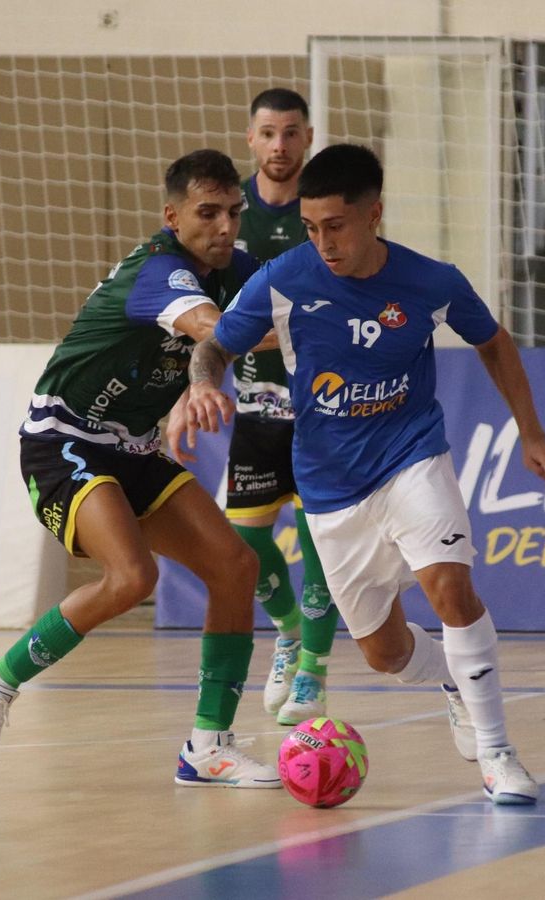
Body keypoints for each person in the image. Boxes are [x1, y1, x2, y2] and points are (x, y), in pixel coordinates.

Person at [179, 143, 545, 805]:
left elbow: (492, 340)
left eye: (335, 225)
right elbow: (217, 345)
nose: (323, 242)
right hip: (331, 486)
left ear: (374, 215)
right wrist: (198, 386)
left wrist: (529, 431)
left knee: (449, 589)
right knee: (385, 654)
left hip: (411, 454)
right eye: (311, 227)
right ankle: (453, 676)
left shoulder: (430, 282)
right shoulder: (285, 280)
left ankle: (499, 754)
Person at [0, 149, 280, 789]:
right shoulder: (159, 272)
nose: (224, 227)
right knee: (133, 575)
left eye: (234, 213)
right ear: (172, 216)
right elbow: (214, 328)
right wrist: (279, 333)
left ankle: (208, 745)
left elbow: (273, 301)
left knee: (235, 565)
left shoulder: (235, 268)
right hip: (62, 440)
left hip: (131, 447)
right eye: (206, 213)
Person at [171, 87, 338, 728]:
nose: (279, 145)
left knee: (322, 538)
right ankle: (290, 631)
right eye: (268, 133)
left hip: (323, 407)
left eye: (291, 133)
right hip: (257, 406)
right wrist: (197, 382)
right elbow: (203, 316)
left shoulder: (324, 210)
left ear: (308, 136)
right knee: (245, 539)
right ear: (250, 139)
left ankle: (313, 676)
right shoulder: (227, 212)